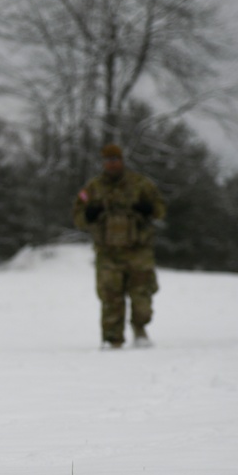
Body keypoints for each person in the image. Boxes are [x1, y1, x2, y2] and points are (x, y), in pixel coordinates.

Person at [73, 143, 166, 349]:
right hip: (108, 252)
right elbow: (78, 215)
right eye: (107, 161)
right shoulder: (93, 188)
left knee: (142, 294)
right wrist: (89, 214)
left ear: (122, 161)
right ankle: (112, 338)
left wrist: (148, 209)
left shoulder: (141, 184)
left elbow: (160, 209)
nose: (111, 164)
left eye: (115, 160)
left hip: (138, 250)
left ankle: (140, 330)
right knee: (110, 296)